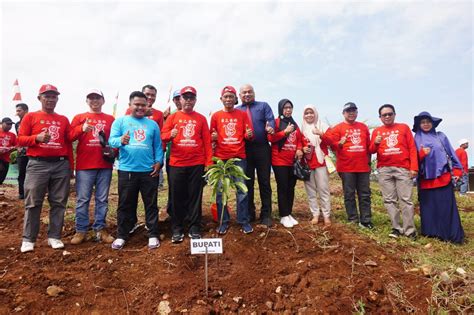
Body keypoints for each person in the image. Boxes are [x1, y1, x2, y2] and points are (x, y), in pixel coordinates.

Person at [18, 84, 73, 253]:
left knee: (59, 202)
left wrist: (71, 165)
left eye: (53, 96)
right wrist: (37, 138)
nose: (50, 99)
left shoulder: (63, 119)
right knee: (33, 201)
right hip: (37, 164)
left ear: (57, 98)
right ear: (39, 98)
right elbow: (20, 140)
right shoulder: (30, 117)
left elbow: (68, 142)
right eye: (46, 96)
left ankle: (55, 236)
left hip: (60, 163)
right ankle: (29, 239)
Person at [108, 91, 163, 250]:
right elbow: (112, 140)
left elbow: (158, 146)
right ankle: (122, 234)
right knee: (125, 203)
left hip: (148, 171)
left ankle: (153, 234)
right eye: (136, 104)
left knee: (151, 204)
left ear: (147, 106)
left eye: (142, 105)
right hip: (127, 170)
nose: (139, 107)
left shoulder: (152, 124)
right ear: (130, 105)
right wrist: (121, 140)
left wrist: (158, 162)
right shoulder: (120, 121)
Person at [161, 86, 212, 243]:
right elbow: (163, 135)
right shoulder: (173, 117)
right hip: (176, 163)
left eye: (191, 98)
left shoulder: (201, 118)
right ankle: (177, 228)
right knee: (176, 196)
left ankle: (194, 226)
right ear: (180, 100)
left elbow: (207, 142)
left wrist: (208, 163)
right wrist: (171, 134)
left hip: (196, 163)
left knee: (195, 196)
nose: (188, 100)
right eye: (186, 97)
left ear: (195, 100)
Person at [69, 90, 115, 245]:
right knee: (83, 199)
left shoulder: (110, 119)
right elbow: (69, 137)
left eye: (97, 98)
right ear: (87, 101)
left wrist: (112, 153)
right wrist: (81, 129)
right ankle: (81, 230)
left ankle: (100, 229)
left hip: (105, 165)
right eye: (91, 98)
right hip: (84, 165)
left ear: (103, 100)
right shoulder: (79, 118)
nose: (94, 100)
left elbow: (114, 140)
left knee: (102, 199)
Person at [413, 111, 464, 244]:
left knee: (446, 207)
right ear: (419, 124)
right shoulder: (415, 139)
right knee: (429, 208)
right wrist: (421, 154)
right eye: (423, 122)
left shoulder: (441, 136)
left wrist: (458, 171)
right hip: (425, 181)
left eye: (428, 122)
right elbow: (412, 161)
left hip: (443, 178)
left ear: (432, 123)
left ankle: (452, 235)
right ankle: (432, 234)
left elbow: (452, 154)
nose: (425, 124)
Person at [369, 104, 418, 239]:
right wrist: (376, 143)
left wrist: (414, 167)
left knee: (406, 199)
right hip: (384, 169)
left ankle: (409, 230)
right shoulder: (377, 131)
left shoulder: (403, 128)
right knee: (389, 200)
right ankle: (396, 228)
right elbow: (371, 150)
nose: (387, 116)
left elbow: (412, 148)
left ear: (394, 114)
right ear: (380, 117)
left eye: (390, 114)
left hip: (403, 168)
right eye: (384, 115)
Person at [210, 86, 253, 234]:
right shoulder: (215, 116)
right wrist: (213, 138)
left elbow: (248, 134)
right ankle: (224, 221)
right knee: (222, 191)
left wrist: (248, 134)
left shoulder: (242, 115)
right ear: (221, 99)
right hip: (222, 159)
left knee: (242, 190)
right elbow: (211, 136)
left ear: (235, 99)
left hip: (239, 157)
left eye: (231, 96)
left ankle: (243, 221)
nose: (228, 99)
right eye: (226, 96)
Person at [322, 102, 373, 228]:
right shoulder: (338, 128)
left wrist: (369, 162)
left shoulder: (363, 127)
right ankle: (353, 219)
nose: (351, 113)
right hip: (346, 167)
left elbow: (369, 147)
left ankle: (366, 220)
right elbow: (331, 145)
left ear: (357, 113)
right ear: (343, 113)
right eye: (348, 111)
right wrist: (338, 143)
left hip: (363, 167)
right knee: (349, 194)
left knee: (365, 194)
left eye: (353, 111)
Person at [125, 84, 164, 233]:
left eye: (153, 95)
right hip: (132, 164)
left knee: (151, 195)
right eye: (147, 94)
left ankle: (151, 225)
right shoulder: (130, 111)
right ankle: (131, 223)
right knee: (130, 196)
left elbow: (160, 138)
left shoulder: (158, 114)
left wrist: (158, 160)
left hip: (152, 160)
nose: (150, 98)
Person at [236, 84, 275, 227]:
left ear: (254, 93)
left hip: (262, 149)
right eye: (244, 92)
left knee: (264, 182)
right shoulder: (237, 110)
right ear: (239, 96)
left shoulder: (263, 106)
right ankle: (249, 213)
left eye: (249, 92)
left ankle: (266, 215)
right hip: (244, 150)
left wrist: (270, 127)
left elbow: (270, 120)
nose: (247, 94)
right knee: (248, 183)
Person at [268, 99, 302, 228]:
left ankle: (289, 213)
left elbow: (299, 139)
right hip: (279, 161)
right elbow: (271, 138)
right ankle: (283, 215)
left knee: (291, 187)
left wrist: (299, 148)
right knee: (283, 187)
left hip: (292, 161)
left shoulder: (294, 124)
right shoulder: (276, 122)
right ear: (281, 109)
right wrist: (285, 132)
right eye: (286, 107)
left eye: (290, 107)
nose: (288, 110)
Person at [300, 105, 332, 226]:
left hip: (321, 162)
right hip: (307, 163)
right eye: (306, 113)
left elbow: (331, 141)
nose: (309, 115)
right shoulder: (301, 128)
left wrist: (321, 134)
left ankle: (326, 215)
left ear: (315, 113)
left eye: (311, 113)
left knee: (323, 189)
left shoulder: (323, 126)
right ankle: (315, 214)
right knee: (311, 191)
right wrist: (302, 148)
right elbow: (298, 143)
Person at [15, 103, 29, 199]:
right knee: (22, 173)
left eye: (19, 110)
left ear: (26, 110)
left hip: (32, 153)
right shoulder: (17, 124)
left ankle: (31, 193)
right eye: (17, 111)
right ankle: (21, 193)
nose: (17, 113)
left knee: (32, 174)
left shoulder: (32, 121)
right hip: (21, 153)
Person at [0, 118, 17, 185]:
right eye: (8, 124)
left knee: (2, 177)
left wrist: (11, 148)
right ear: (2, 123)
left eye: (11, 124)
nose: (9, 126)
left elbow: (16, 145)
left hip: (6, 158)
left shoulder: (12, 135)